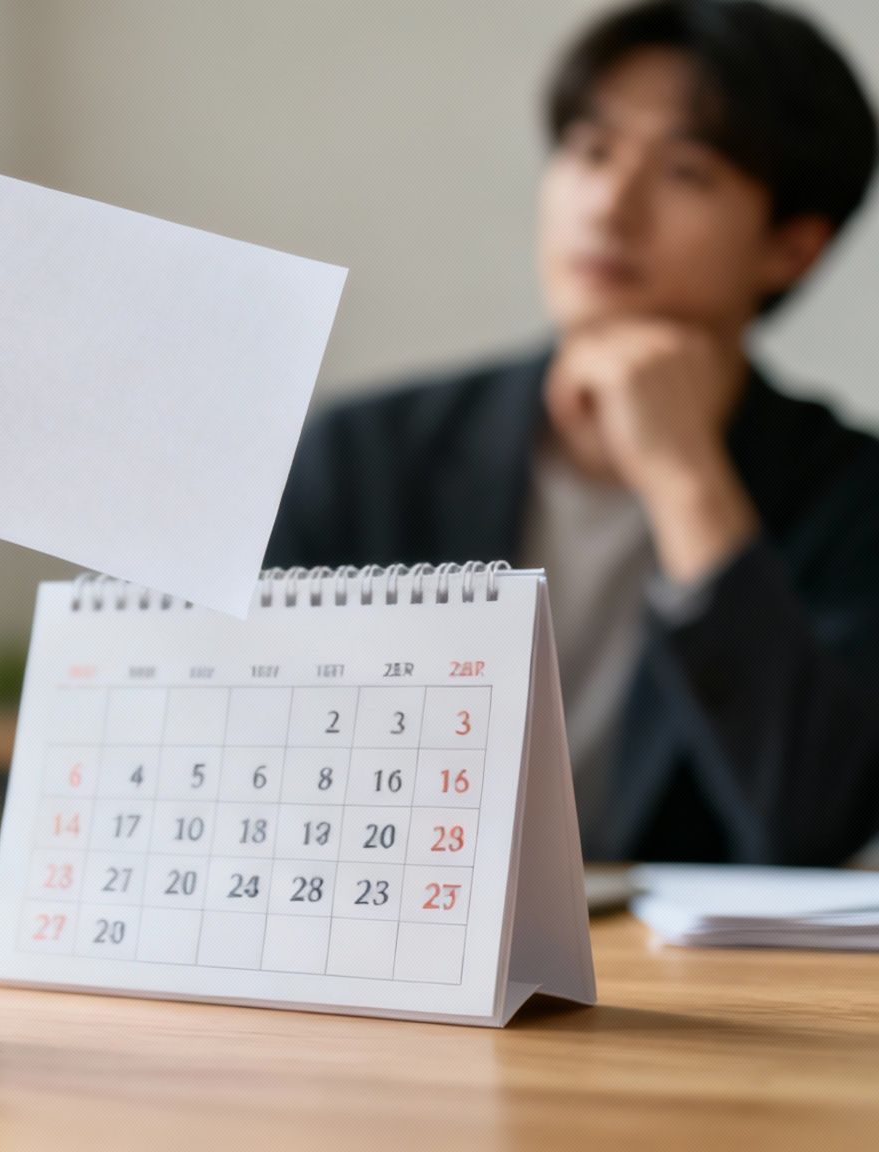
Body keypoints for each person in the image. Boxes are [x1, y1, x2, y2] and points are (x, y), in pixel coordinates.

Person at [265, 0, 879, 865]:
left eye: (686, 172)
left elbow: (812, 821)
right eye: (590, 152)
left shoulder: (851, 495)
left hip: (686, 991)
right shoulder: (363, 456)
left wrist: (684, 475)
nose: (609, 205)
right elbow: (254, 758)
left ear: (791, 247)